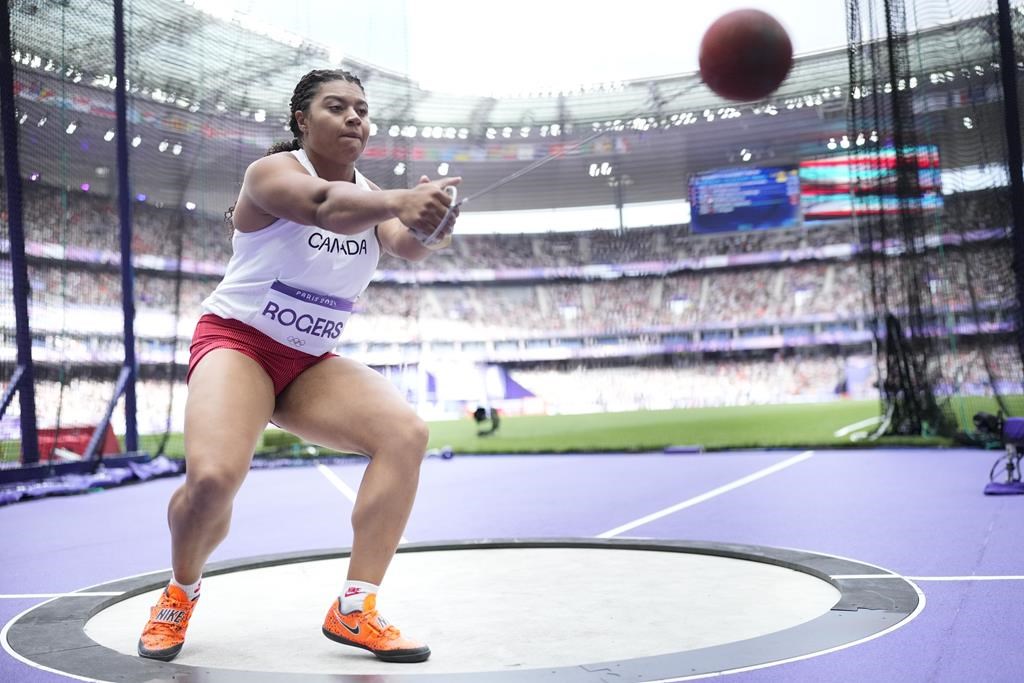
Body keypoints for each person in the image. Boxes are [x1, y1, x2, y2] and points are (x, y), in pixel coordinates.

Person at [137, 68, 459, 664]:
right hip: (239, 344)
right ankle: (180, 590)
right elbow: (324, 206)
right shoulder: (272, 175)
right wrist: (399, 200)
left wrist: (432, 224)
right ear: (301, 120)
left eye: (362, 109)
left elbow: (407, 244)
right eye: (337, 107)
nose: (354, 118)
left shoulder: (370, 194)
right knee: (211, 482)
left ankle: (355, 609)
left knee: (405, 433)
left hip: (310, 362)